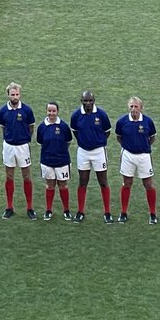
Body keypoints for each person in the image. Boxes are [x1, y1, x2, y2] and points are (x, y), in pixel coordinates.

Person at [69, 89, 113, 223]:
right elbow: (75, 132)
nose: (88, 103)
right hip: (83, 152)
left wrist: (97, 142)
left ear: (94, 101)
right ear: (81, 101)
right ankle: (80, 211)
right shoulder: (76, 115)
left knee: (103, 181)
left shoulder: (101, 115)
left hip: (99, 152)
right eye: (85, 100)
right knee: (83, 181)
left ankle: (107, 212)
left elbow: (107, 132)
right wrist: (85, 142)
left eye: (90, 100)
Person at [115, 95, 158, 224]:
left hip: (144, 156)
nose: (133, 109)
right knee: (127, 183)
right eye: (131, 106)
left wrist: (143, 146)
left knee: (148, 184)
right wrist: (128, 146)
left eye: (136, 106)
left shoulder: (148, 121)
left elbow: (152, 137)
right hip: (128, 155)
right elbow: (119, 137)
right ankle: (123, 212)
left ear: (141, 108)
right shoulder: (122, 121)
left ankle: (153, 213)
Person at [0, 82, 37, 219]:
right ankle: (9, 207)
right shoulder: (2, 111)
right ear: (8, 95)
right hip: (8, 147)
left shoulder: (27, 110)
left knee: (26, 176)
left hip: (23, 147)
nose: (15, 97)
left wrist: (24, 139)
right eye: (12, 94)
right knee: (9, 176)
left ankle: (30, 208)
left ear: (20, 94)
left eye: (17, 94)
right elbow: (2, 127)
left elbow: (31, 127)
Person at [35, 101, 73, 221]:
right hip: (47, 161)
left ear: (57, 111)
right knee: (50, 186)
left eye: (54, 111)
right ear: (46, 111)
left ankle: (66, 210)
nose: (51, 113)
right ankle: (48, 210)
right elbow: (40, 142)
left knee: (63, 186)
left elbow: (68, 141)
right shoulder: (42, 127)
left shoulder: (63, 126)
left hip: (62, 161)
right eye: (49, 111)